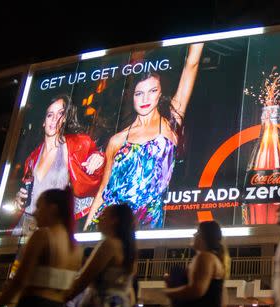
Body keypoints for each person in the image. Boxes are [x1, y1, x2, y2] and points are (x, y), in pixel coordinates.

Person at [84, 43, 203, 230]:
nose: (145, 99)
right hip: (109, 221)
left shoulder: (170, 122)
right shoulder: (117, 140)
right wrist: (85, 233)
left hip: (148, 220)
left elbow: (192, 64)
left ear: (160, 94)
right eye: (139, 93)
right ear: (132, 97)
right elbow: (103, 191)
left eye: (152, 91)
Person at [15, 95, 105, 235]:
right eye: (50, 115)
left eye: (60, 114)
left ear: (66, 119)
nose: (54, 119)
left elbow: (98, 174)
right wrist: (19, 200)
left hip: (54, 229)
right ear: (44, 121)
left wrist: (99, 158)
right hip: (27, 227)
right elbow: (29, 195)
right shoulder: (32, 158)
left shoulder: (78, 144)